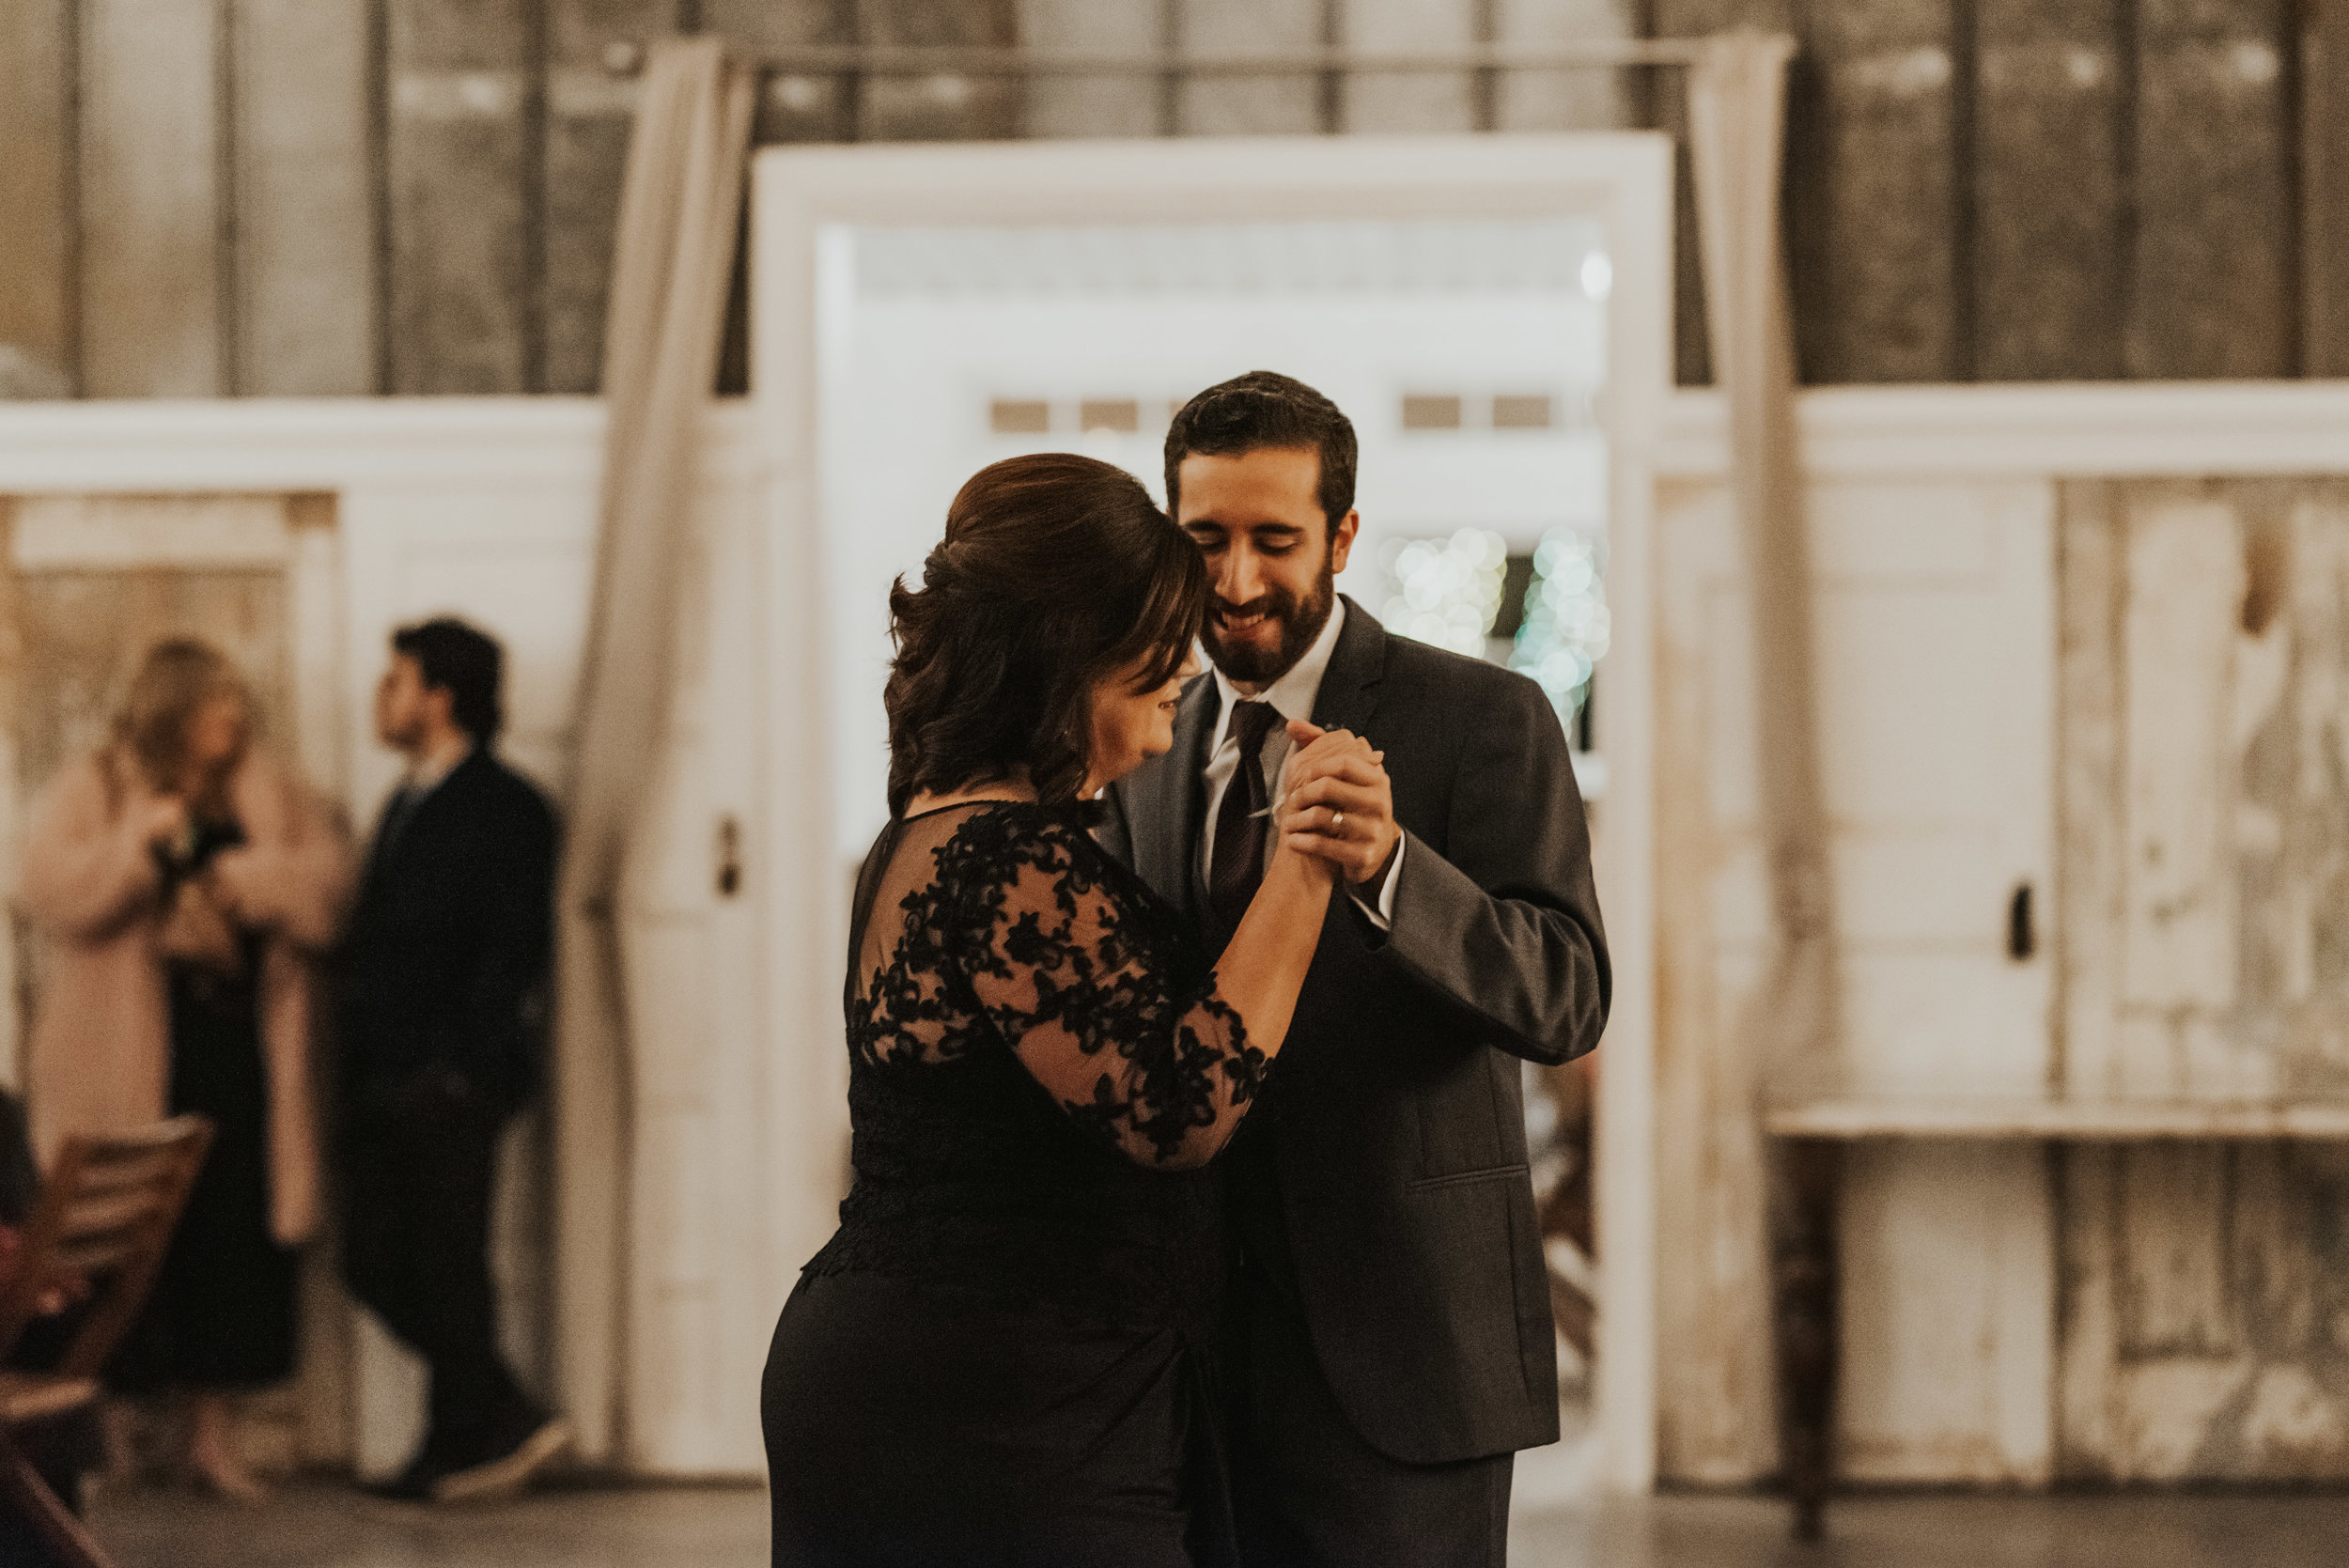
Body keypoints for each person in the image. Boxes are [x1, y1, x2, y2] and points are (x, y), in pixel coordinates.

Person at [762, 453, 1367, 1566]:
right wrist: (1306, 859)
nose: (1182, 676)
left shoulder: (922, 833)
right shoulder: (1008, 859)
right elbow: (1178, 1107)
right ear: (1066, 656)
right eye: (1154, 649)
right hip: (997, 1401)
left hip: (944, 1367)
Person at [1100, 371, 1611, 1567]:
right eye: (1203, 541)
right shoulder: (1139, 733)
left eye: (1274, 541)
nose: (1234, 581)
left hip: (1406, 1351)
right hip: (1182, 1359)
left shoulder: (1484, 717)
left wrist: (1392, 869)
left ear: (1342, 535)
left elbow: (1566, 991)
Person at [16, 639, 350, 1502]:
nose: (231, 722)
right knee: (121, 1239)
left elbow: (330, 888)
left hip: (235, 1048)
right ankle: (115, 1434)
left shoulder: (272, 789)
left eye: (237, 705)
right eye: (214, 705)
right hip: (124, 1051)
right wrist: (140, 845)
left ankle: (211, 1437)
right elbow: (48, 888)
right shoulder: (103, 781)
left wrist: (248, 877)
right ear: (174, 707)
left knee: (232, 1241)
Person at [335, 617, 566, 1502]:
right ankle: (499, 1413)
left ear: (440, 695)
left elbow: (512, 952)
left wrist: (459, 1067)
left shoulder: (509, 805)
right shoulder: (405, 800)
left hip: (451, 1078)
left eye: (395, 681)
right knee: (380, 1259)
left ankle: (455, 1440)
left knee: (447, 1261)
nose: (381, 699)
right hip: (386, 1076)